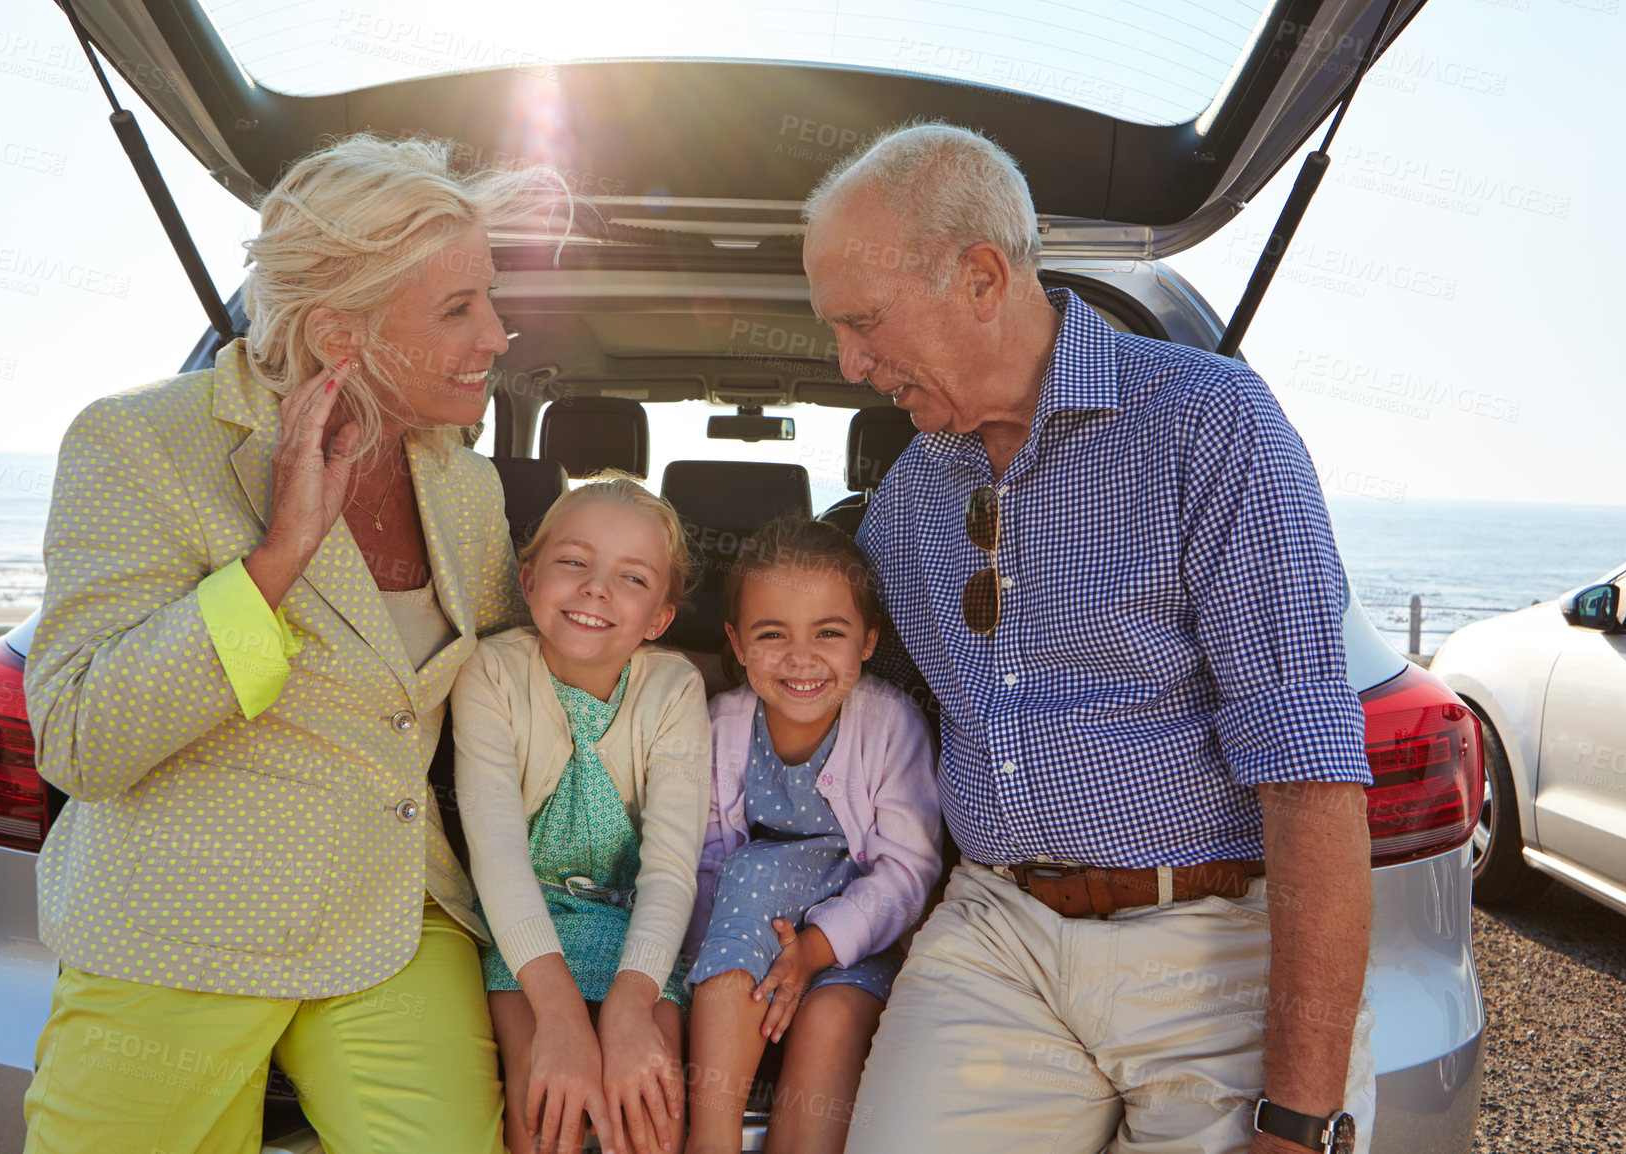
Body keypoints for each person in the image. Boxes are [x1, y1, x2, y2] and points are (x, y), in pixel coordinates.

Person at [803, 123, 1378, 1154]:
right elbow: (829, 684)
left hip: (1217, 938)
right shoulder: (905, 497)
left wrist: (1296, 1123)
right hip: (999, 934)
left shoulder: (1209, 426)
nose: (850, 364)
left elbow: (1309, 779)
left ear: (982, 275)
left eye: (864, 323)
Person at [23, 134, 557, 1153]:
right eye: (457, 309)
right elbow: (82, 737)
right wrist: (276, 560)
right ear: (340, 334)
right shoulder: (138, 441)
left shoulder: (467, 484)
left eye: (489, 296)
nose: (498, 331)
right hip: (180, 931)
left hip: (402, 924)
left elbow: (502, 701)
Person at [450, 475, 711, 1154]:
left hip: (637, 927)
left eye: (632, 578)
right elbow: (499, 856)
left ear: (659, 618)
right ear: (529, 579)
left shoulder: (676, 687)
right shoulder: (490, 675)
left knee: (650, 1113)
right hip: (525, 925)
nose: (597, 588)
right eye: (574, 562)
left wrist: (631, 1005)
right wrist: (562, 1015)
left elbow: (672, 867)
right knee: (545, 1114)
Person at [683, 517, 941, 1154]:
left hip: (855, 938)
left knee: (832, 1021)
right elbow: (706, 864)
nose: (801, 659)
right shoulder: (722, 726)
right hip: (742, 927)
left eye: (829, 633)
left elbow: (907, 873)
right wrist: (706, 971)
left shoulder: (888, 723)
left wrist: (818, 949)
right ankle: (710, 1136)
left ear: (867, 642)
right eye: (772, 634)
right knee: (747, 875)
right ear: (737, 645)